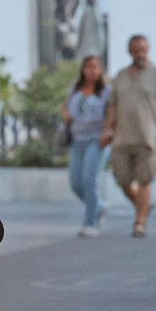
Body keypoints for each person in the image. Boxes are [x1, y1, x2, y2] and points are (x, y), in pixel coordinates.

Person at [101, 34, 156, 238]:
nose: (141, 54)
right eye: (136, 50)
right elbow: (112, 105)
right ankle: (142, 206)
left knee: (144, 180)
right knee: (122, 178)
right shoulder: (121, 76)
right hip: (122, 138)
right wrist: (108, 129)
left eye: (143, 50)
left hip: (148, 138)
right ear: (130, 51)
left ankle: (139, 222)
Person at [63, 54, 109, 237]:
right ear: (83, 69)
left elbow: (112, 113)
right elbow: (65, 106)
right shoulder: (75, 88)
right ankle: (98, 206)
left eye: (96, 67)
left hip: (96, 140)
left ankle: (91, 222)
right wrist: (66, 114)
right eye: (89, 67)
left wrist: (108, 132)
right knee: (76, 183)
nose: (93, 71)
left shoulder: (106, 91)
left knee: (89, 180)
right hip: (77, 139)